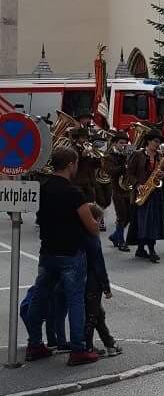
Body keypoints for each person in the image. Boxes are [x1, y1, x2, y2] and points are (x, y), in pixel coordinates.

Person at [24, 145, 101, 367]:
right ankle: (78, 349)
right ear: (70, 165)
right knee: (75, 301)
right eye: (76, 163)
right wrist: (96, 222)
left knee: (39, 298)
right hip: (70, 254)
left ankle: (34, 343)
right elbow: (92, 227)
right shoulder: (73, 193)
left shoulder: (43, 188)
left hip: (47, 252)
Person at [83, 204, 122, 356]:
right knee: (93, 316)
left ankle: (109, 343)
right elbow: (99, 265)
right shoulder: (93, 239)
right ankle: (87, 346)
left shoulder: (82, 235)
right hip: (93, 283)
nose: (101, 224)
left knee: (98, 314)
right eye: (99, 220)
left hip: (84, 280)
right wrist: (106, 287)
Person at [126, 133, 164, 262]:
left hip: (156, 193)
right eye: (155, 141)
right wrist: (137, 185)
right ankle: (147, 249)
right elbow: (129, 172)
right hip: (142, 192)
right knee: (143, 221)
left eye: (159, 142)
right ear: (148, 141)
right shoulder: (138, 154)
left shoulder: (160, 156)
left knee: (153, 222)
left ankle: (144, 248)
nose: (157, 144)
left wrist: (163, 174)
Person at [105, 132, 132, 251]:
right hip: (117, 189)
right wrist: (123, 167)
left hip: (128, 189)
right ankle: (121, 241)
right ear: (115, 144)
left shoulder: (128, 156)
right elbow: (110, 171)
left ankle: (115, 236)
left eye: (125, 143)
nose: (123, 145)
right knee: (121, 216)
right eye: (121, 143)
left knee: (129, 216)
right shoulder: (109, 156)